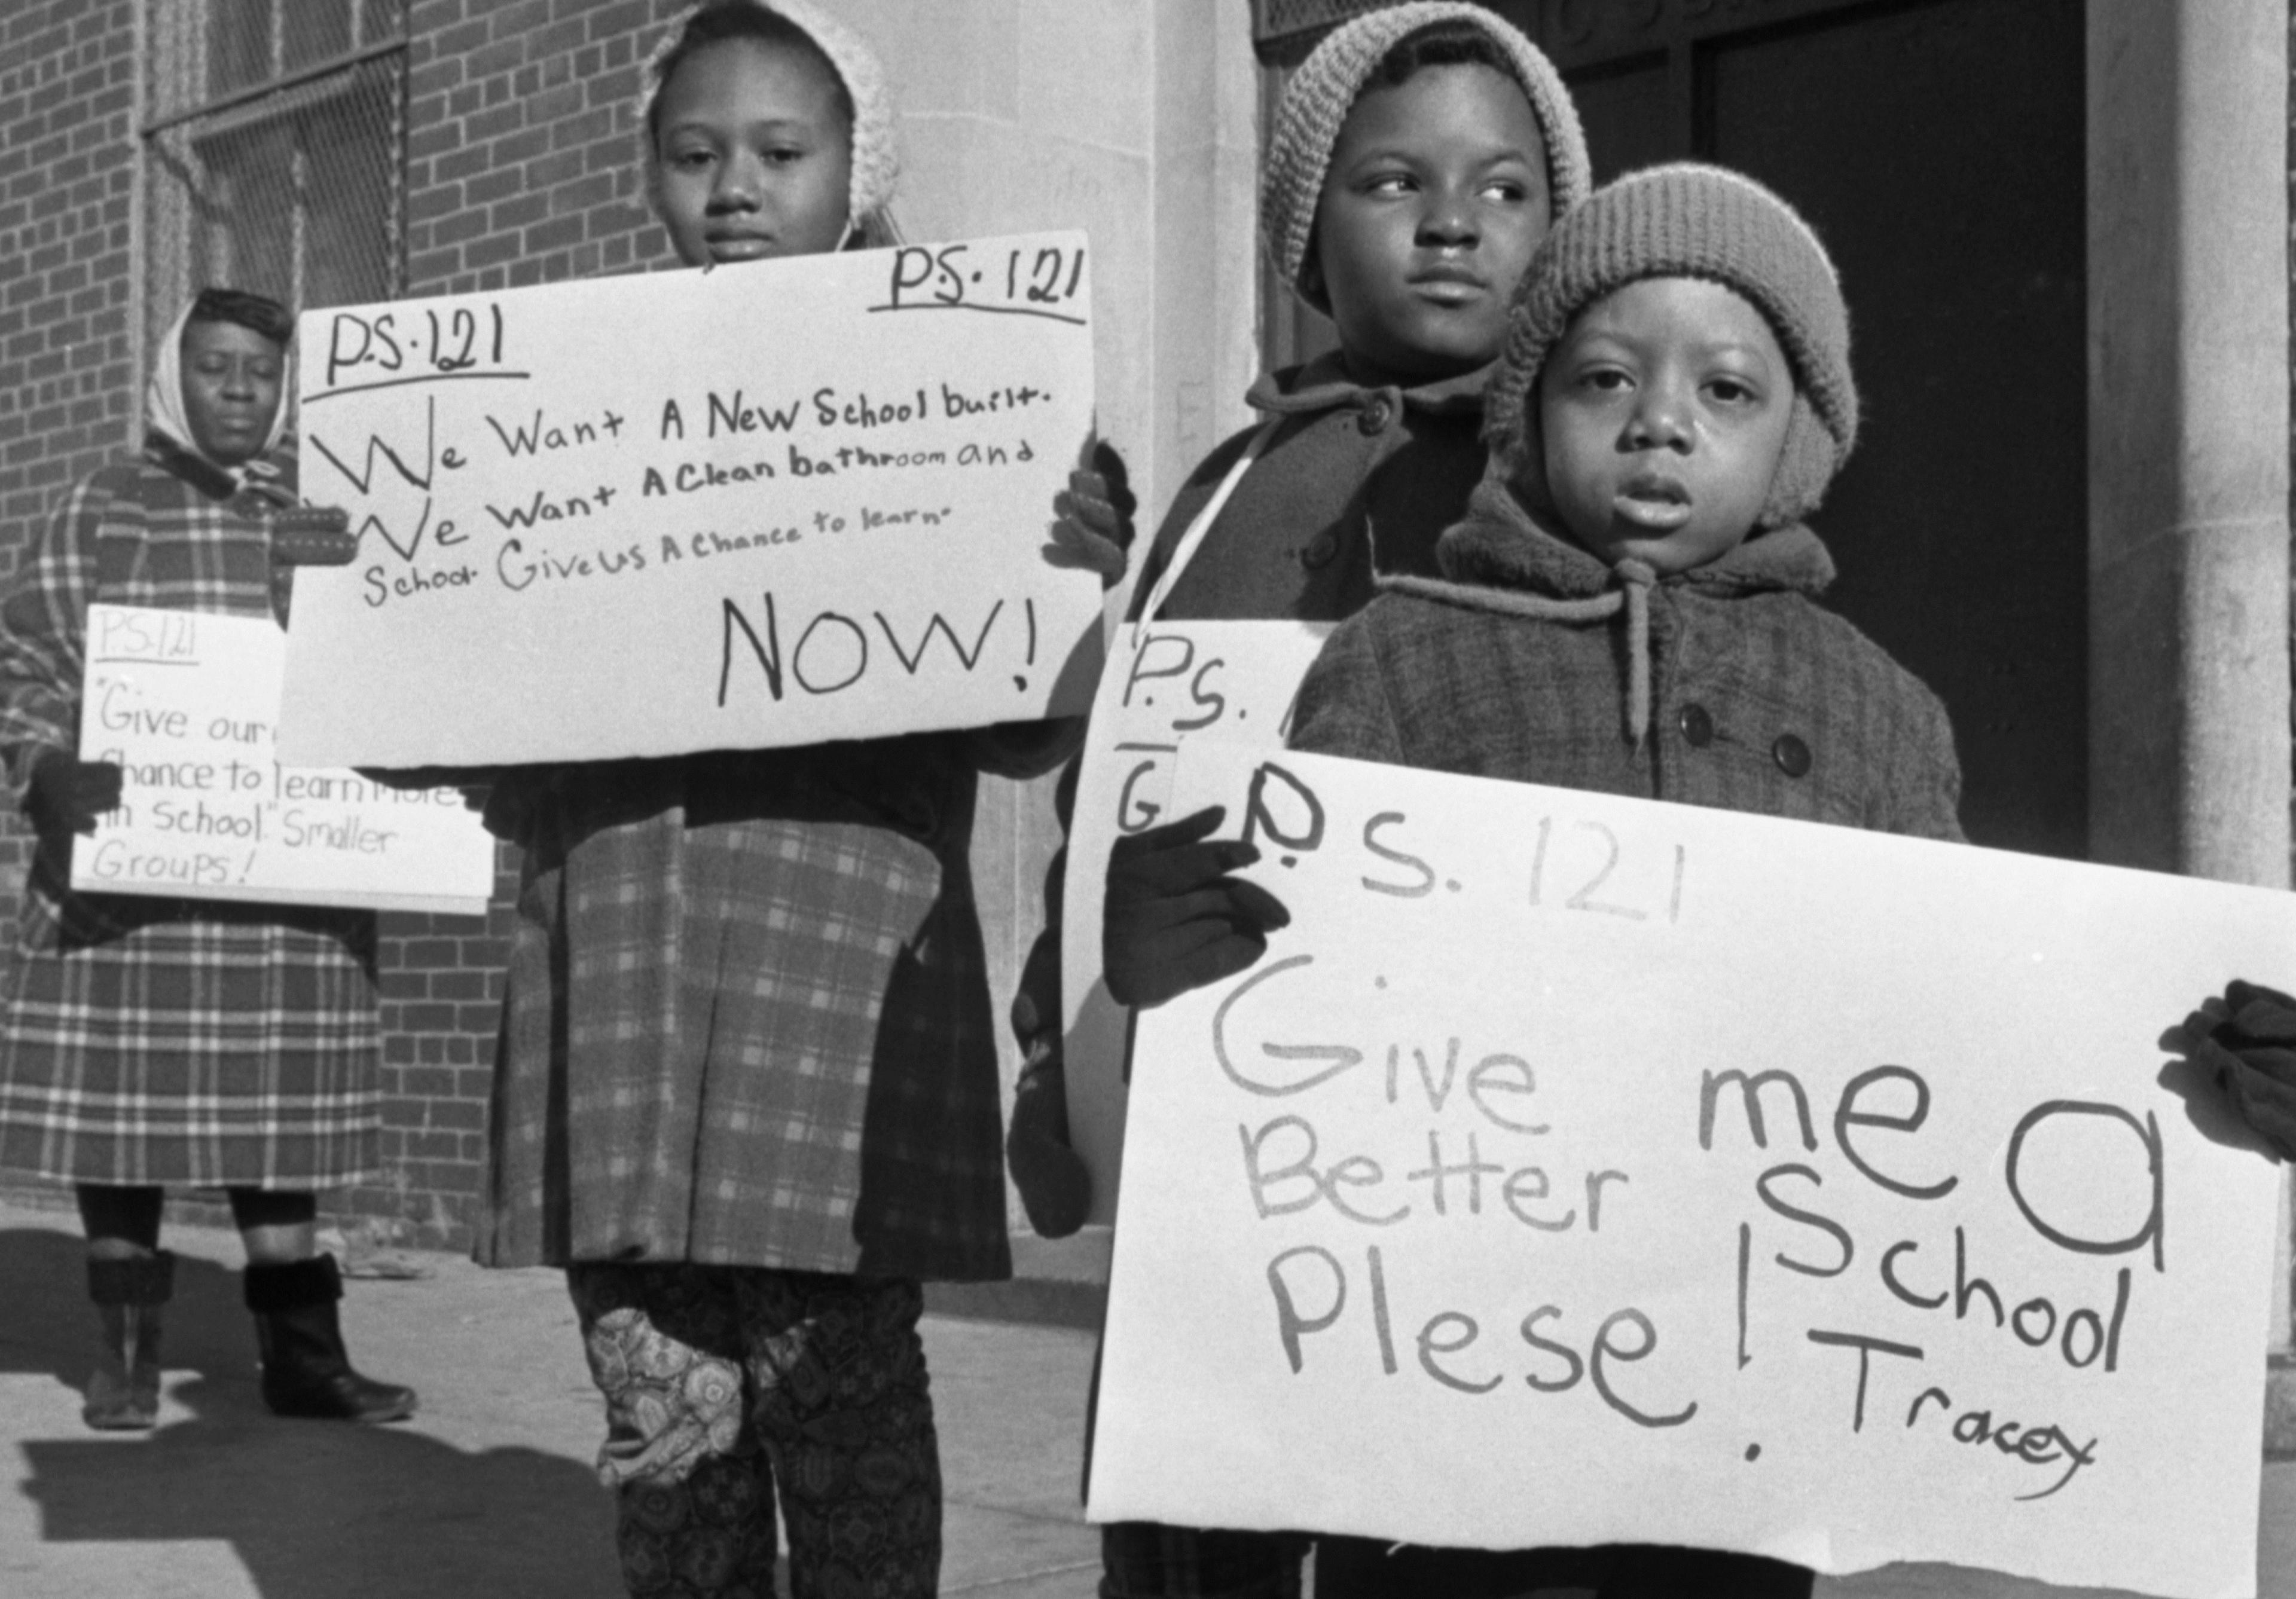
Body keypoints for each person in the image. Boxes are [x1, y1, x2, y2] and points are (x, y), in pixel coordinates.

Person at [463, 5, 1120, 1597]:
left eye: (779, 152)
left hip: (836, 1013)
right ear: (650, 176)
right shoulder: (548, 416)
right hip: (618, 988)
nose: (734, 190)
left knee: (845, 1400)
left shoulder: (963, 405)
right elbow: (457, 743)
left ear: (856, 173)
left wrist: (1069, 578)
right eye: (694, 155)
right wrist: (363, 604)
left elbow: (1025, 740)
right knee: (660, 1398)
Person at [1277, 161, 1964, 1597]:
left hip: (1743, 1425)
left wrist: (2191, 1071)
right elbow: (1296, 1024)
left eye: (1728, 392)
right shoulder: (1395, 659)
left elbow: (1957, 1036)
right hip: (1442, 1408)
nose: (1660, 420)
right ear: (1529, 410)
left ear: (1800, 443)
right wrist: (1202, 946)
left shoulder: (1885, 716)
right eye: (1604, 379)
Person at [998, 7, 1592, 1595]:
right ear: (1307, 238)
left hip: (1497, 1194)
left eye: (1509, 188)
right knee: (1211, 1544)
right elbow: (1121, 802)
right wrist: (1063, 1054)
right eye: (1395, 179)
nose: (1455, 218)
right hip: (1225, 1163)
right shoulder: (1219, 493)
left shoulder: (1585, 484)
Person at [0, 286, 416, 1431]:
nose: (241, 390)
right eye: (217, 367)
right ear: (171, 377)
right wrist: (46, 771)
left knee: (276, 1123)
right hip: (129, 889)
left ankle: (304, 1358)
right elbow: (22, 660)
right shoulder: (104, 507)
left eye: (261, 374)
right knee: (120, 1122)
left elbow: (374, 640)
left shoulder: (312, 516)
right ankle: (126, 1357)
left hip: (281, 887)